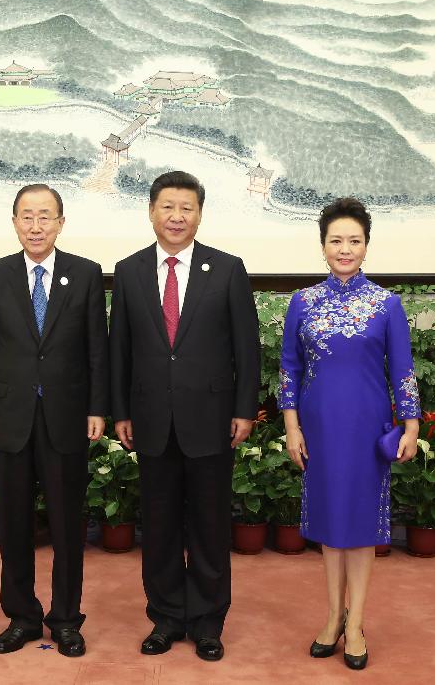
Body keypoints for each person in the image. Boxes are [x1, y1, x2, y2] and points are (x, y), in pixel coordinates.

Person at [109, 170, 260, 662]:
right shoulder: (129, 271)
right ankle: (167, 617)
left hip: (213, 418)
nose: (177, 216)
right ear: (151, 211)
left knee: (211, 526)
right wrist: (120, 412)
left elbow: (246, 348)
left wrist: (244, 409)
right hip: (151, 419)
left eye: (187, 208)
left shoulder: (228, 268)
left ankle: (209, 622)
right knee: (159, 526)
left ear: (200, 214)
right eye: (168, 206)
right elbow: (120, 352)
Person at [279, 197, 420, 671]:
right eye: (336, 240)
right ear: (322, 246)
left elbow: (402, 369)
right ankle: (331, 616)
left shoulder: (387, 304)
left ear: (366, 247)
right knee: (329, 528)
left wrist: (411, 424)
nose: (345, 249)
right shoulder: (303, 302)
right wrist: (292, 428)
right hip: (318, 428)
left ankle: (356, 622)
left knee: (359, 529)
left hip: (366, 429)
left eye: (354, 241)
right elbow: (289, 371)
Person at [0, 184, 109, 658]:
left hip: (68, 417)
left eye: (45, 216)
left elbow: (97, 349)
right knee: (13, 523)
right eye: (27, 216)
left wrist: (96, 407)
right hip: (9, 417)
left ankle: (66, 618)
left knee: (69, 524)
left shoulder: (86, 274)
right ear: (14, 222)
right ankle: (22, 617)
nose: (36, 226)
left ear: (61, 223)